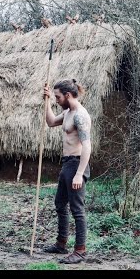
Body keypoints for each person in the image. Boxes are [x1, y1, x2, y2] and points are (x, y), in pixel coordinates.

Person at [42, 78, 92, 264]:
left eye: (57, 96)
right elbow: (50, 122)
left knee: (77, 209)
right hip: (66, 164)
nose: (56, 99)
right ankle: (61, 244)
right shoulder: (68, 112)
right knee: (60, 204)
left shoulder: (80, 115)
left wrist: (79, 173)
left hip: (77, 165)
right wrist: (47, 100)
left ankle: (80, 251)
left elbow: (87, 146)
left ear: (68, 95)